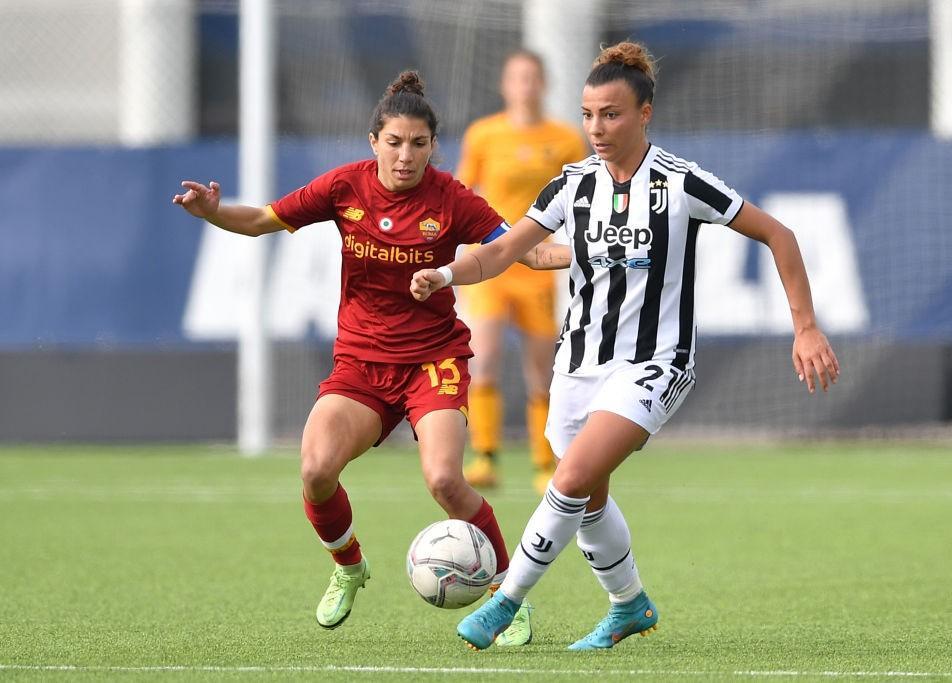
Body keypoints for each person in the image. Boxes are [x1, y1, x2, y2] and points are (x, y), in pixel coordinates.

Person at [410, 42, 840, 651]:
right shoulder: (572, 185)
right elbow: (507, 251)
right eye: (588, 115)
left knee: (575, 474)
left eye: (610, 114)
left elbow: (778, 232)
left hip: (656, 361)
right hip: (578, 362)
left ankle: (505, 601)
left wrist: (805, 326)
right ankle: (629, 604)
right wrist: (449, 275)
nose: (596, 128)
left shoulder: (681, 181)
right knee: (587, 498)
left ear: (645, 114)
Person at [172, 71, 565, 633]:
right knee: (315, 471)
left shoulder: (452, 198)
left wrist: (597, 252)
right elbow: (262, 220)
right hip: (360, 364)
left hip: (433, 361)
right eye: (395, 142)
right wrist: (213, 211)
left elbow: (524, 252)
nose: (406, 156)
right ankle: (349, 567)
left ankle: (509, 595)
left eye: (419, 144)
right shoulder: (344, 187)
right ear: (374, 141)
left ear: (434, 146)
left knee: (445, 481)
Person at [456, 50, 588, 495]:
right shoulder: (484, 135)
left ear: (544, 84)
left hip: (537, 265)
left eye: (532, 77)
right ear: (505, 85)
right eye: (517, 77)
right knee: (485, 358)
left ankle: (544, 462)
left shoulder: (565, 139)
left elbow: (582, 195)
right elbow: (462, 190)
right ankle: (484, 457)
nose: (525, 85)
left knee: (541, 371)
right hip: (492, 261)